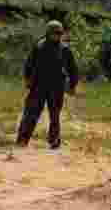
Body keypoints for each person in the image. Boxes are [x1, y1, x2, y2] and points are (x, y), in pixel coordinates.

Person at [16, 20, 79, 150]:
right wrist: (27, 79)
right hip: (38, 86)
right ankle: (22, 140)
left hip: (56, 87)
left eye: (60, 33)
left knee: (55, 115)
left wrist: (72, 85)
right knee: (31, 113)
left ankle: (54, 141)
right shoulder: (39, 46)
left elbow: (73, 69)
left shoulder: (65, 49)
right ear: (48, 33)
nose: (58, 35)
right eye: (55, 33)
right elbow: (29, 64)